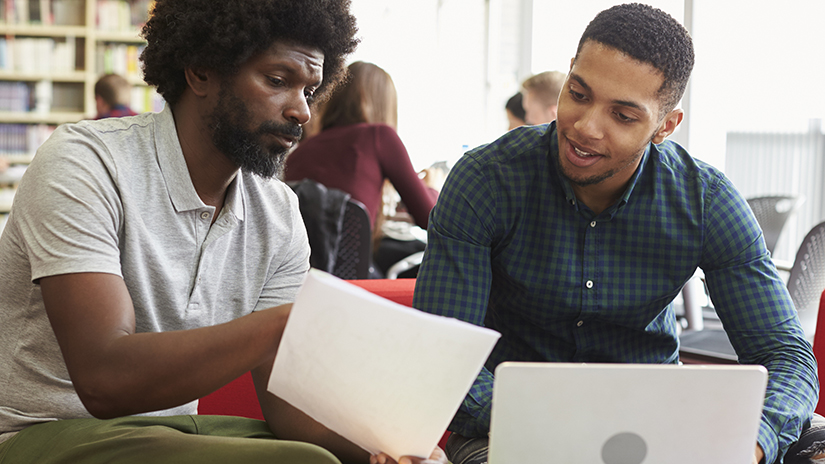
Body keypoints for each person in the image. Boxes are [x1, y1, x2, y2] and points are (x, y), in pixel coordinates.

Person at [0, 1, 445, 464]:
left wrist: (391, 449)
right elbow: (104, 380)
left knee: (328, 454)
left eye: (310, 91)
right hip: (40, 433)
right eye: (278, 81)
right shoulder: (84, 163)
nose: (302, 112)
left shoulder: (279, 212)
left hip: (172, 432)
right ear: (201, 71)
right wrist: (280, 325)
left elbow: (286, 406)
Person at [412, 4, 820, 464]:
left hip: (659, 424)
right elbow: (442, 362)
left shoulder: (705, 200)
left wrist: (752, 443)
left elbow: (787, 356)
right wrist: (570, 426)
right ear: (568, 75)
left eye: (623, 116)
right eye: (579, 94)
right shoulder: (486, 180)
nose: (585, 127)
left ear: (665, 126)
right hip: (510, 427)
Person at [284, 61, 436, 231]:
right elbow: (431, 219)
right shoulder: (379, 136)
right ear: (385, 105)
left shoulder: (299, 151)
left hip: (300, 257)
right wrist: (432, 188)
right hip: (351, 257)